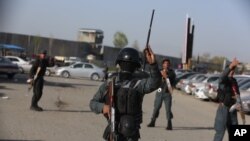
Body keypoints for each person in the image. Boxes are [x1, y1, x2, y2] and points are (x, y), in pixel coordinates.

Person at [89, 47, 161, 141]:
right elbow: (93, 103)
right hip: (114, 132)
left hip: (131, 134)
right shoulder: (110, 83)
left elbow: (155, 83)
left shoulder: (138, 84)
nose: (127, 66)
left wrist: (153, 64)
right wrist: (103, 107)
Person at [213, 58, 241, 141]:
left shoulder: (234, 81)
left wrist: (239, 103)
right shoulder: (224, 80)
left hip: (233, 109)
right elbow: (222, 77)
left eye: (233, 70)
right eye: (231, 70)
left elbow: (237, 94)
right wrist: (231, 66)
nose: (232, 71)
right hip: (223, 108)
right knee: (220, 131)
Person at [147, 58, 176, 130]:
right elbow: (154, 78)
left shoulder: (172, 73)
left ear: (169, 65)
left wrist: (165, 75)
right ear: (162, 64)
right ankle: (152, 121)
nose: (166, 65)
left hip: (167, 93)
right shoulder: (159, 72)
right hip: (159, 92)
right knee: (156, 108)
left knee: (168, 109)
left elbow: (170, 81)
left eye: (167, 64)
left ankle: (169, 124)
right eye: (165, 63)